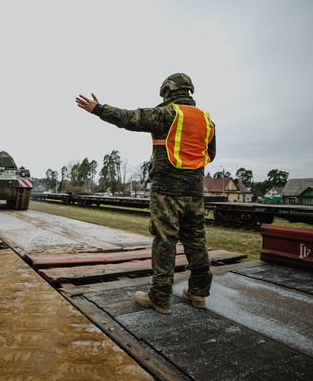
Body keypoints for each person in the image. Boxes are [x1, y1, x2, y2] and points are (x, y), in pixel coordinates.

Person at [75, 73, 216, 314]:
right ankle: (198, 293)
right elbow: (210, 154)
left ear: (168, 91)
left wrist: (99, 109)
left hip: (167, 190)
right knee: (196, 241)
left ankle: (160, 298)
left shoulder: (168, 113)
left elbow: (131, 118)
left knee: (165, 241)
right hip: (194, 191)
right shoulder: (206, 119)